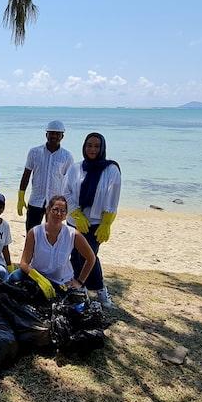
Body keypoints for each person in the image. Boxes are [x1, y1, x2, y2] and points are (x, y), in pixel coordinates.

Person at [62, 132, 121, 309]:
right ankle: (80, 289)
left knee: (89, 256)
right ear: (84, 147)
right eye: (89, 145)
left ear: (102, 148)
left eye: (96, 146)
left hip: (96, 223)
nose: (92, 149)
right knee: (75, 256)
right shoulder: (75, 168)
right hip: (75, 221)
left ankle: (101, 291)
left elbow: (113, 196)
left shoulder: (111, 170)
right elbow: (66, 192)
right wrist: (76, 213)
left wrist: (106, 223)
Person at [7, 195, 96, 300]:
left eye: (62, 211)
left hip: (61, 281)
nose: (58, 214)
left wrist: (80, 281)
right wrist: (38, 278)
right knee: (12, 279)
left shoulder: (73, 234)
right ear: (48, 210)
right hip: (37, 276)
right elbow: (24, 263)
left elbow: (91, 258)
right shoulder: (35, 232)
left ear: (66, 215)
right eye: (55, 210)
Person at [17, 120, 74, 232]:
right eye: (51, 133)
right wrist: (21, 196)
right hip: (35, 200)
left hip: (55, 204)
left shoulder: (67, 156)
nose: (54, 136)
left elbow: (70, 182)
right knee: (31, 232)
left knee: (52, 233)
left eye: (57, 134)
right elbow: (26, 175)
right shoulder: (34, 152)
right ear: (46, 134)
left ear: (62, 136)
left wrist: (69, 203)